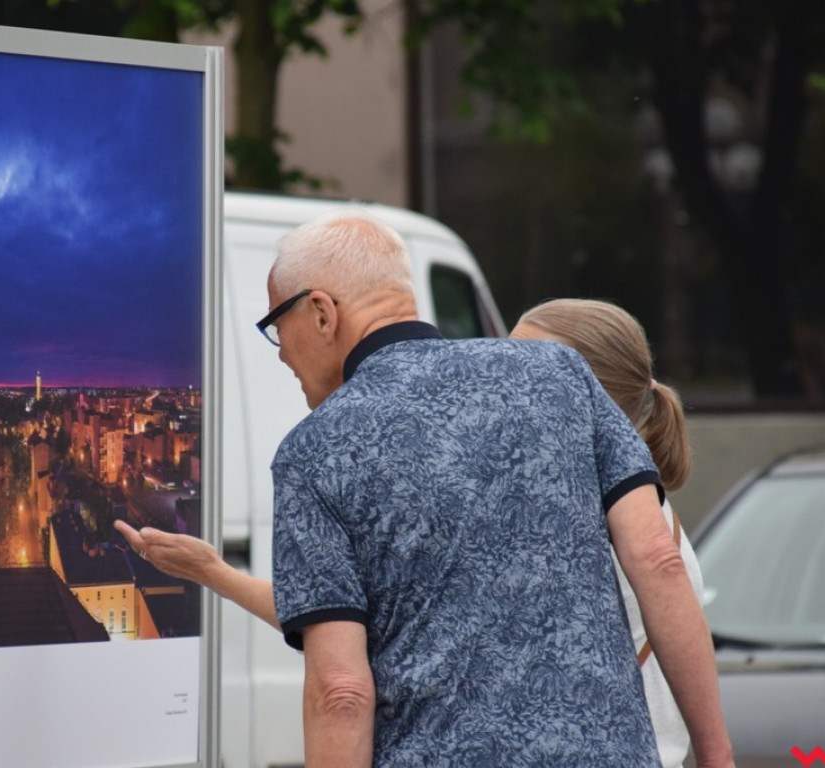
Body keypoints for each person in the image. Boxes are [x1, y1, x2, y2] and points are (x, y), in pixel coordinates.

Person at [117, 209, 734, 767]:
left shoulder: (314, 451)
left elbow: (341, 691)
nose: (280, 355)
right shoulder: (561, 373)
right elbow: (659, 560)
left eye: (277, 325)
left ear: (323, 313)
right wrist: (716, 756)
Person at [510, 298, 704, 768]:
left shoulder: (612, 533)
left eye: (522, 371)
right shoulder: (636, 512)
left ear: (588, 399)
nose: (499, 381)